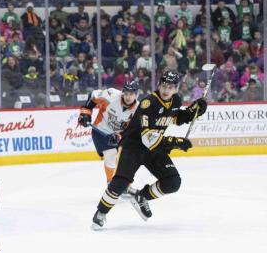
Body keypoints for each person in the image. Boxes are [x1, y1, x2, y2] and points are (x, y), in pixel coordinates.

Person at [91, 71, 207, 230]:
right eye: (164, 86)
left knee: (173, 182)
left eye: (171, 87)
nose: (166, 90)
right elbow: (147, 138)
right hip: (133, 146)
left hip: (154, 147)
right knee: (120, 182)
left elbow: (175, 117)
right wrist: (176, 142)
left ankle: (141, 196)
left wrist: (193, 111)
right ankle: (100, 213)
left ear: (176, 88)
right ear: (159, 85)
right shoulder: (148, 103)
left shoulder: (175, 100)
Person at [78, 81, 140, 182]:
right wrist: (85, 113)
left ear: (136, 95)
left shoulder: (138, 109)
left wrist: (120, 135)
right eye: (126, 93)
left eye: (131, 94)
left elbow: (134, 129)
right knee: (111, 155)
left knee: (127, 160)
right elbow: (93, 96)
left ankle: (124, 186)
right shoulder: (111, 95)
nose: (128, 97)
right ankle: (111, 185)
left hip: (119, 136)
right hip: (101, 132)